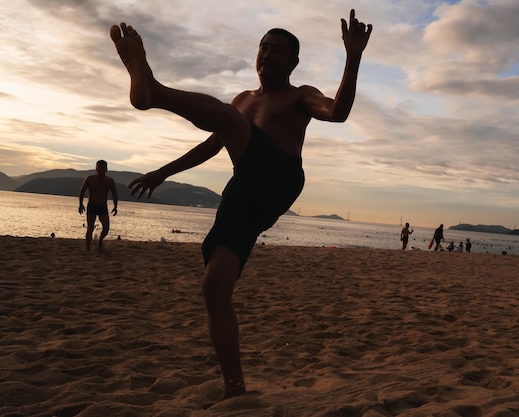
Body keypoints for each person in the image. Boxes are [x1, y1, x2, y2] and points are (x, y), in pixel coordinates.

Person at [110, 10, 371, 400]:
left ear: (293, 62)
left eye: (277, 50)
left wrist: (352, 57)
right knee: (214, 286)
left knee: (230, 119)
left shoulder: (300, 95)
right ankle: (235, 387)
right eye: (262, 47)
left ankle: (154, 92)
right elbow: (212, 145)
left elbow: (338, 112)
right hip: (244, 189)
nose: (266, 54)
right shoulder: (242, 101)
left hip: (279, 176)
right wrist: (161, 173)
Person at [78, 160, 118, 251]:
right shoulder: (90, 179)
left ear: (106, 169)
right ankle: (88, 248)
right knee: (90, 227)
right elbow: (82, 191)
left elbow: (114, 194)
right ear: (96, 168)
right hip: (92, 205)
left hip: (102, 206)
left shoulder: (109, 181)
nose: (101, 169)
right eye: (99, 167)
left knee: (106, 228)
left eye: (103, 167)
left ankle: (100, 240)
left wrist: (115, 207)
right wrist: (80, 204)